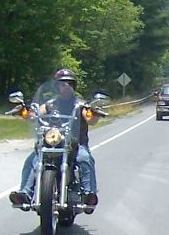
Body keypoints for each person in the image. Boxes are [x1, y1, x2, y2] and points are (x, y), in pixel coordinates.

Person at [9, 68, 101, 213]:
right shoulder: (50, 104)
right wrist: (24, 112)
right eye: (62, 84)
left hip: (75, 144)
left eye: (69, 84)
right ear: (57, 87)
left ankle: (88, 195)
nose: (66, 87)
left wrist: (95, 112)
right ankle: (25, 194)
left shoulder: (80, 105)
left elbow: (90, 120)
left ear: (74, 86)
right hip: (53, 143)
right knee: (33, 160)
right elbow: (35, 115)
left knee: (84, 158)